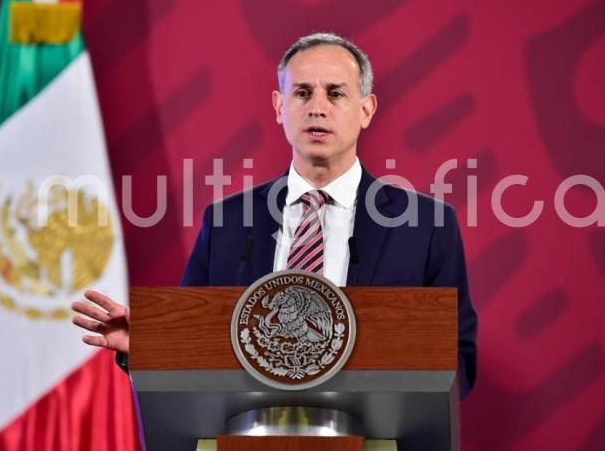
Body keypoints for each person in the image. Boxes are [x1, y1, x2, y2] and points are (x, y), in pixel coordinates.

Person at [73, 32, 478, 398]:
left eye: (335, 93)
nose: (317, 108)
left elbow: (457, 359)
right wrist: (150, 347)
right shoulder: (228, 223)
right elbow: (195, 347)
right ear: (279, 106)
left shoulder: (425, 226)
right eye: (302, 93)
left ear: (366, 109)